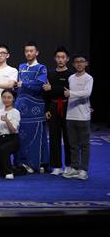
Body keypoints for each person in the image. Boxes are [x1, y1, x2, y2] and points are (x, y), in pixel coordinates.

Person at [14, 41, 49, 174]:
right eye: (26, 51)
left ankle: (37, 164)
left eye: (31, 51)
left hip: (35, 109)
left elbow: (39, 84)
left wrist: (23, 84)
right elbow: (18, 86)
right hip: (20, 108)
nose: (28, 53)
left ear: (36, 52)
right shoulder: (21, 67)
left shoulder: (41, 68)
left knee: (36, 137)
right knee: (21, 137)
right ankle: (21, 163)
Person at [63, 54, 93, 181]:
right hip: (70, 115)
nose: (79, 64)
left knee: (84, 145)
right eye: (76, 62)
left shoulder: (88, 78)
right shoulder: (71, 78)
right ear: (73, 64)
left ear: (86, 63)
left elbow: (87, 93)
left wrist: (71, 93)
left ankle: (83, 170)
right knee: (73, 144)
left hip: (83, 116)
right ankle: (74, 168)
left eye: (82, 61)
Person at [43, 46, 72, 175]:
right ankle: (57, 166)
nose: (60, 60)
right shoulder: (50, 74)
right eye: (58, 57)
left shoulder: (71, 75)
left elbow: (68, 92)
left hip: (68, 107)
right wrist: (47, 109)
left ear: (67, 59)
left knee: (68, 137)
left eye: (63, 57)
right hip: (53, 106)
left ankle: (69, 165)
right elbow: (46, 92)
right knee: (54, 137)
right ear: (55, 58)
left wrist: (52, 88)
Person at [0, 89, 21, 180]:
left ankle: (9, 172)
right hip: (1, 138)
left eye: (9, 97)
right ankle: (18, 170)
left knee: (4, 149)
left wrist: (7, 121)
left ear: (13, 99)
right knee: (0, 171)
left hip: (12, 139)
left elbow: (13, 130)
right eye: (4, 97)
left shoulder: (16, 112)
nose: (6, 100)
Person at [0, 44, 18, 111]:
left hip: (6, 107)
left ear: (7, 55)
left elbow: (10, 85)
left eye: (3, 53)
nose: (0, 55)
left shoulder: (13, 70)